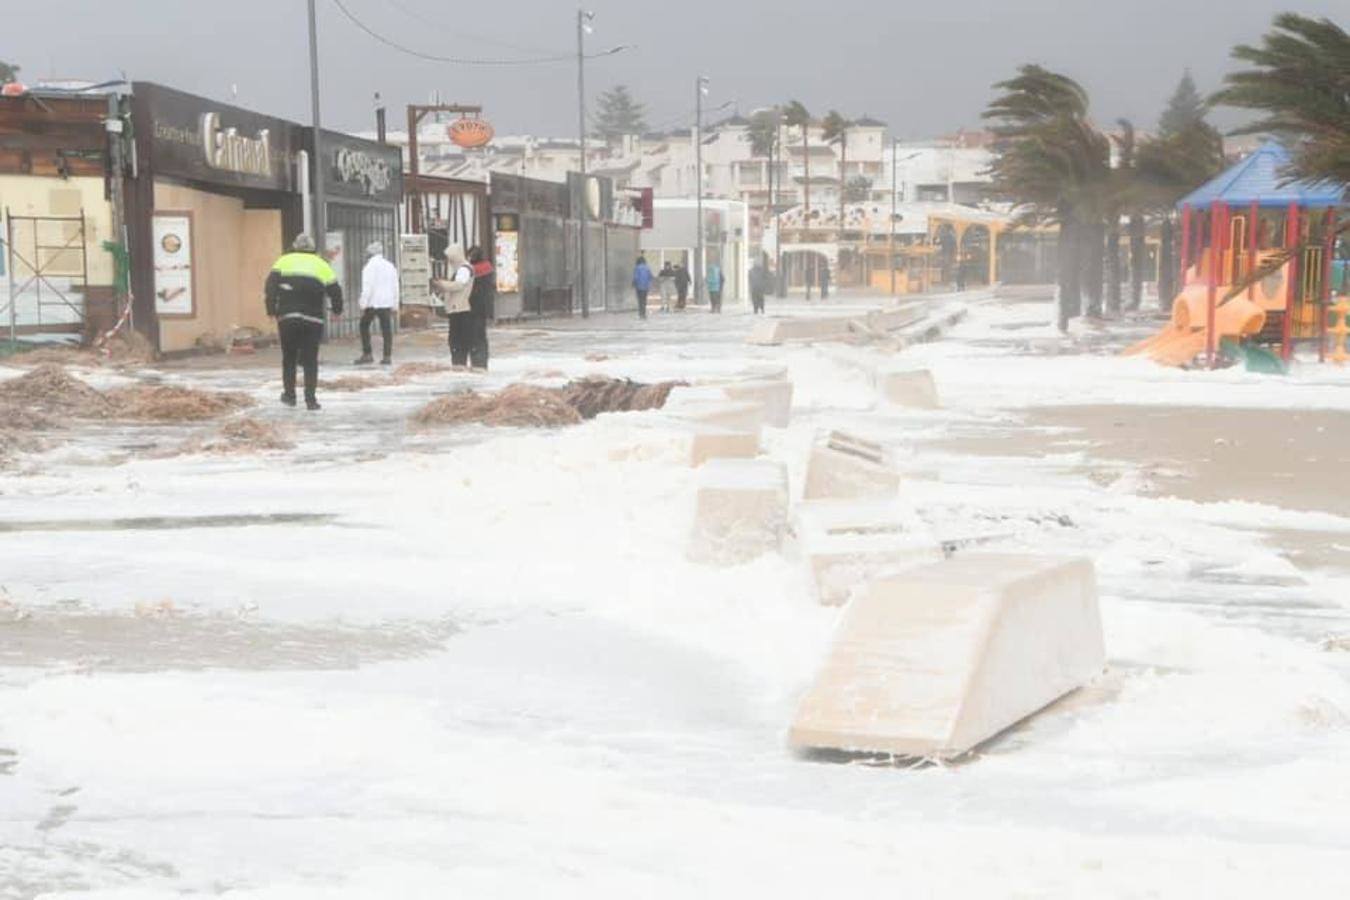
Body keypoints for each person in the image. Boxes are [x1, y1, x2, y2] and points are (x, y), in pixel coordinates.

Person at [265, 233, 343, 411]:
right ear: (312, 247)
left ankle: (290, 396)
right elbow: (335, 289)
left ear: (295, 246)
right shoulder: (321, 264)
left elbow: (270, 287)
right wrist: (337, 311)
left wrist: (271, 310)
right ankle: (311, 400)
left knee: (289, 357)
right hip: (313, 319)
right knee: (310, 360)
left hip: (288, 317)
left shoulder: (282, 261)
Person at [354, 240, 397, 365]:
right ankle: (387, 356)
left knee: (364, 325)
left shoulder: (369, 267)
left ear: (369, 254)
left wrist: (363, 302)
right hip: (386, 302)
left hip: (373, 302)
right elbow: (395, 286)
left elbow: (367, 287)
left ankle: (367, 353)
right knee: (386, 329)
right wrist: (395, 303)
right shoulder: (390, 266)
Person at [436, 245, 475, 368]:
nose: (449, 261)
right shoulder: (462, 269)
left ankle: (459, 362)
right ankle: (459, 361)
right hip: (457, 307)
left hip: (459, 308)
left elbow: (458, 285)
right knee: (457, 337)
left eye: (450, 258)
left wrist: (442, 284)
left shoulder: (464, 269)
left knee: (457, 337)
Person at [466, 246, 495, 371]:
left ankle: (477, 362)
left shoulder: (473, 271)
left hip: (473, 307)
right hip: (484, 307)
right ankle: (482, 362)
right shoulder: (488, 268)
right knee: (481, 336)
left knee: (474, 336)